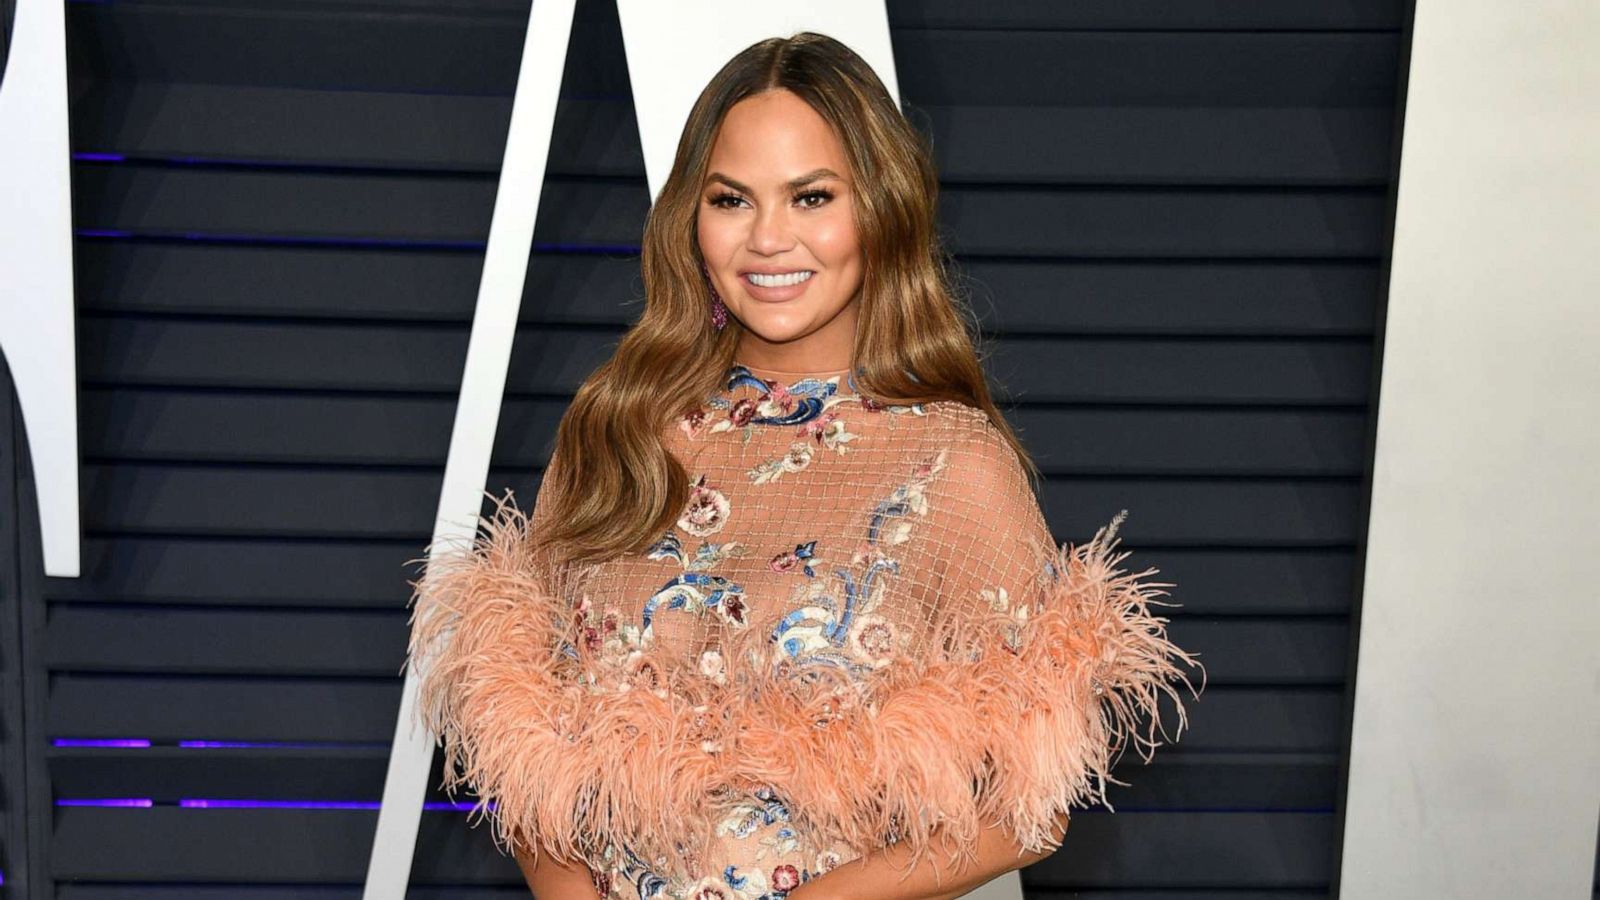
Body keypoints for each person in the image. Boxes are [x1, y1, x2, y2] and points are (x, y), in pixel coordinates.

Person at [406, 31, 1204, 900]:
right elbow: (522, 748)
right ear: (691, 218)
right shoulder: (618, 431)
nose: (768, 239)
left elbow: (1029, 806)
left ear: (882, 209)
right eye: (732, 199)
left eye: (812, 196)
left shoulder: (949, 462)